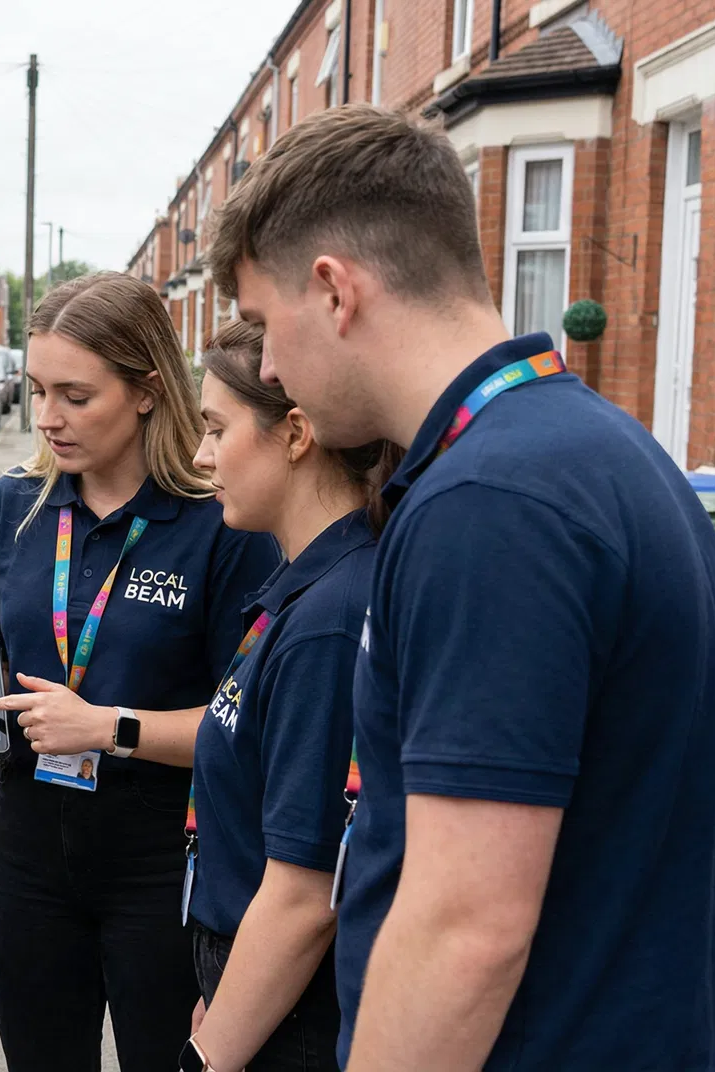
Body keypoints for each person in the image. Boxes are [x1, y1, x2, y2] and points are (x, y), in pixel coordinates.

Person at [209, 104, 715, 1071]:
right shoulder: (598, 448)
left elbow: (465, 930)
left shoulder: (489, 505)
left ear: (334, 290)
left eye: (263, 324)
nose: (271, 367)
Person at [0, 271, 280, 1071]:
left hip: (163, 854)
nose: (48, 418)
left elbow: (247, 727)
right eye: (38, 391)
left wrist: (109, 728)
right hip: (27, 843)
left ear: (147, 391)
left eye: (76, 396)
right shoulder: (14, 504)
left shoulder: (224, 519)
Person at [178, 321, 400, 1072]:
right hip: (260, 992)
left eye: (217, 429)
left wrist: (210, 1054)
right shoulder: (306, 582)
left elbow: (306, 898)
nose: (201, 455)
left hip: (297, 1016)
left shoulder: (330, 621)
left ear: (297, 434)